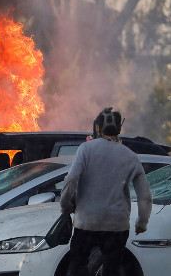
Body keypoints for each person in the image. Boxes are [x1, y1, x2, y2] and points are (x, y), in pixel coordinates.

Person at [60, 107, 152, 275]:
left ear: (98, 128)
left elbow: (71, 180)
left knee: (77, 265)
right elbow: (145, 196)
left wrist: (65, 205)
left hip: (86, 222)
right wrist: (142, 222)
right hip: (116, 226)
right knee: (112, 268)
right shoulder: (130, 156)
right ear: (120, 129)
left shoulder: (85, 150)